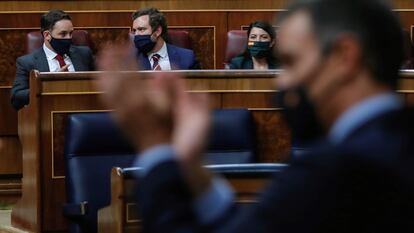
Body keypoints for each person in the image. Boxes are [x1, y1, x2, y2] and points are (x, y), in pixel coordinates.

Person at [97, 0, 414, 232]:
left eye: (291, 61)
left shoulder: (335, 171)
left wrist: (154, 145)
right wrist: (193, 168)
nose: (282, 80)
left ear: (344, 57)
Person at [10, 10, 95, 110]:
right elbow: (16, 98)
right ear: (47, 35)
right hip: (49, 115)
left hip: (83, 111)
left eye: (71, 33)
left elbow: (101, 83)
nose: (69, 38)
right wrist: (48, 85)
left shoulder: (84, 54)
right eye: (63, 34)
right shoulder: (27, 62)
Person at [132, 7, 200, 70]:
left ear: (158, 31)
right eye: (134, 31)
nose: (136, 34)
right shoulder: (130, 61)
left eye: (141, 29)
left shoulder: (187, 57)